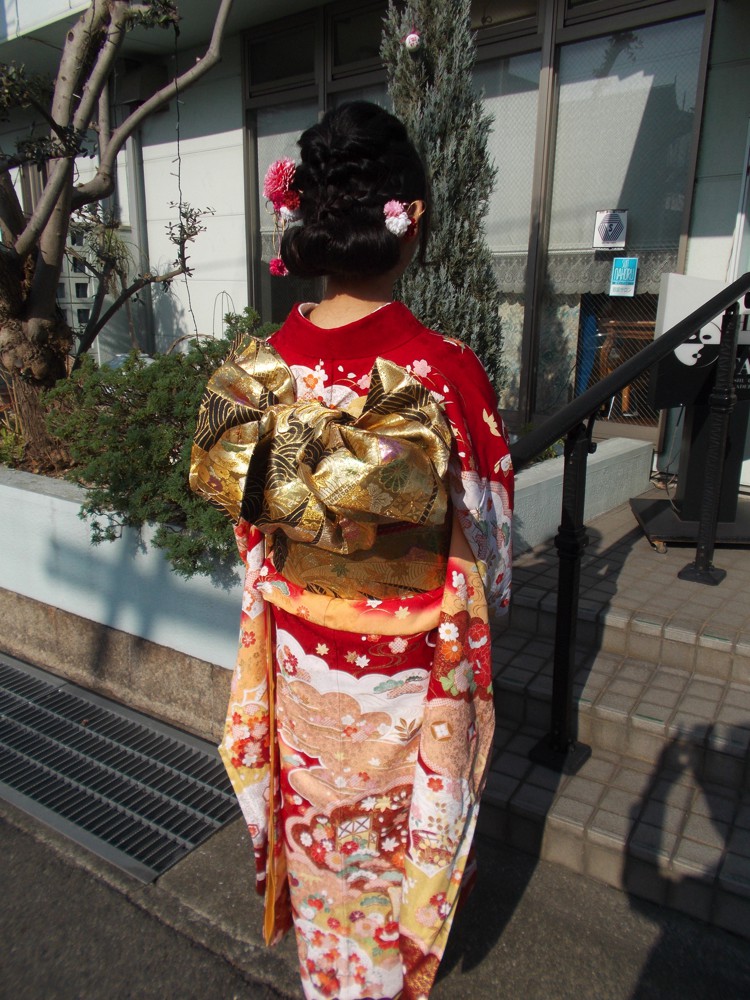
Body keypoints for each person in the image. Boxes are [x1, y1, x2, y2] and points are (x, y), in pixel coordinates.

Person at [189, 101, 513, 1000]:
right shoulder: (445, 370)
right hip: (407, 674)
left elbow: (252, 529)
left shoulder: (260, 368)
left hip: (303, 659)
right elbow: (489, 545)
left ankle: (329, 975)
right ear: (412, 223)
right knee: (390, 849)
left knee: (322, 836)